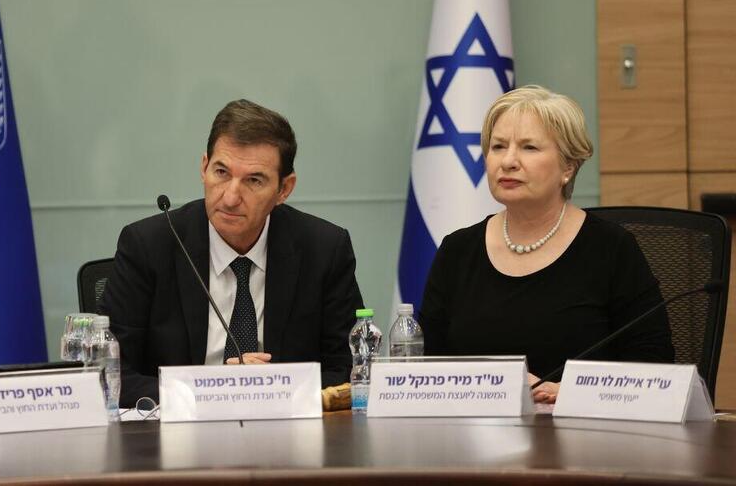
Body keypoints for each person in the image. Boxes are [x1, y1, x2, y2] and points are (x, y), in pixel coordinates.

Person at [419, 85, 673, 403]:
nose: (508, 161)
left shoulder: (611, 249)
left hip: (583, 440)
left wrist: (572, 393)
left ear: (568, 167)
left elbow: (655, 367)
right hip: (473, 440)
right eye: (498, 147)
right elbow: (424, 366)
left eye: (529, 148)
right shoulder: (457, 251)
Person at [103, 99, 364, 407]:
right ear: (204, 167)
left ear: (284, 189)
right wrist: (215, 389)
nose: (229, 197)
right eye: (222, 172)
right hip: (175, 440)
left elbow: (350, 369)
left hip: (286, 438)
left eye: (253, 180)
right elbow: (110, 373)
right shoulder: (148, 245)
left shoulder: (324, 249)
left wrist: (273, 384)